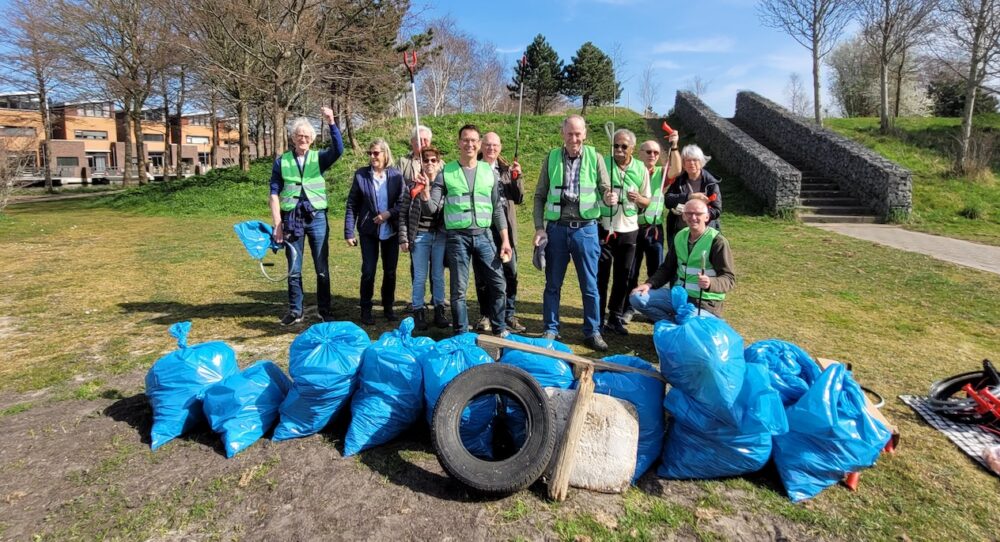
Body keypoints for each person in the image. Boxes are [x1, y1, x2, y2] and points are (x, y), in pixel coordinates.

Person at [532, 114, 616, 351]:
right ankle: (550, 328)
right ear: (563, 134)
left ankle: (592, 331)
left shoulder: (595, 158)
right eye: (570, 133)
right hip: (556, 230)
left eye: (578, 134)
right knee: (552, 284)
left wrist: (610, 196)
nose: (574, 138)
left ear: (585, 134)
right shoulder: (551, 158)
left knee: (590, 285)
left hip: (586, 230)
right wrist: (539, 227)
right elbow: (539, 196)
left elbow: (605, 189)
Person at [424, 124, 512, 336]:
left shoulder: (489, 172)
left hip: (484, 236)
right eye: (465, 140)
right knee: (459, 291)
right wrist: (425, 193)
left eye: (473, 140)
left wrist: (505, 240)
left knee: (498, 284)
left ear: (479, 143)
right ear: (459, 143)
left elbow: (497, 209)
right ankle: (461, 333)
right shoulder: (446, 173)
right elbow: (431, 208)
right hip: (457, 239)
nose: (469, 144)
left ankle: (500, 329)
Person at [268, 107, 343, 326]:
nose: (303, 139)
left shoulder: (319, 158)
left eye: (307, 136)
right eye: (299, 135)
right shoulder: (282, 161)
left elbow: (338, 149)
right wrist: (277, 223)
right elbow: (273, 193)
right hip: (292, 219)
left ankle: (324, 310)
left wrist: (331, 122)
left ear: (312, 139)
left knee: (322, 267)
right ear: (293, 138)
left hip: (317, 217)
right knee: (294, 267)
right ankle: (295, 310)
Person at [629, 195, 735, 320]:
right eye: (689, 213)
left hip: (705, 303)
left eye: (698, 214)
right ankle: (673, 323)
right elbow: (667, 268)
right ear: (683, 216)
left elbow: (729, 279)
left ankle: (687, 321)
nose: (693, 217)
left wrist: (710, 283)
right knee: (637, 298)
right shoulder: (680, 236)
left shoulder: (717, 241)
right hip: (679, 296)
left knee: (686, 319)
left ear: (707, 217)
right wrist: (649, 284)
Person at [596, 128, 651, 337]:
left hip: (629, 229)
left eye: (624, 146)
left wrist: (638, 198)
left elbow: (647, 200)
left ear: (632, 148)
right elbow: (592, 191)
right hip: (605, 227)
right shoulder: (603, 164)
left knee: (623, 276)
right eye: (616, 146)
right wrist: (604, 197)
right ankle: (597, 318)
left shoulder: (640, 168)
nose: (619, 150)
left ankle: (615, 317)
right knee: (601, 276)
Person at [345, 138, 403, 325]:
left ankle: (388, 307)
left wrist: (388, 214)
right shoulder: (361, 175)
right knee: (368, 271)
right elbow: (352, 204)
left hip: (391, 230)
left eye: (376, 153)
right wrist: (349, 231)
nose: (372, 156)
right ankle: (365, 309)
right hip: (368, 231)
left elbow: (402, 203)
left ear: (385, 154)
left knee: (390, 271)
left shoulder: (396, 176)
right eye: (369, 153)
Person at [623, 135, 681, 323]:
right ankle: (628, 307)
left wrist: (674, 146)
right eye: (648, 151)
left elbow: (677, 169)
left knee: (656, 270)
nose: (653, 155)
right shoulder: (631, 171)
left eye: (656, 152)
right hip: (632, 227)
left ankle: (651, 306)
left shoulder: (661, 173)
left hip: (654, 228)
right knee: (630, 270)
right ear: (639, 153)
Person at [473, 132, 525, 334]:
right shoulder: (474, 168)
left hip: (507, 230)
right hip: (483, 227)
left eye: (495, 145)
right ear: (481, 146)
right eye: (487, 145)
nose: (491, 148)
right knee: (483, 274)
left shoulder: (506, 170)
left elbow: (519, 198)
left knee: (510, 271)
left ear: (500, 147)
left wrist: (517, 178)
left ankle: (508, 314)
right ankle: (486, 314)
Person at [398, 146, 449, 331]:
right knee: (420, 276)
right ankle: (418, 310)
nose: (429, 163)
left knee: (438, 275)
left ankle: (439, 310)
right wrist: (403, 238)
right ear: (420, 163)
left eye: (433, 160)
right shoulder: (412, 186)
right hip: (420, 235)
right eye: (425, 160)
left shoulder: (444, 186)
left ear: (438, 162)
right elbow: (403, 214)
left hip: (440, 235)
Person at [396, 125, 434, 312]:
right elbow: (397, 189)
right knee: (417, 266)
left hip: (433, 222)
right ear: (412, 142)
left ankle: (436, 297)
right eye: (419, 140)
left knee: (436, 264)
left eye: (426, 140)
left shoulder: (438, 162)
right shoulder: (403, 162)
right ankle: (417, 299)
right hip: (412, 222)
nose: (423, 143)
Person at [665, 144, 722, 252]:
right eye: (688, 160)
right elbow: (668, 200)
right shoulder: (678, 181)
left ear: (701, 162)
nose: (691, 163)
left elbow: (717, 210)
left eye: (695, 160)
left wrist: (699, 214)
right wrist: (689, 197)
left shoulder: (711, 183)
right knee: (678, 260)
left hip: (704, 233)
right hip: (679, 231)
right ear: (683, 163)